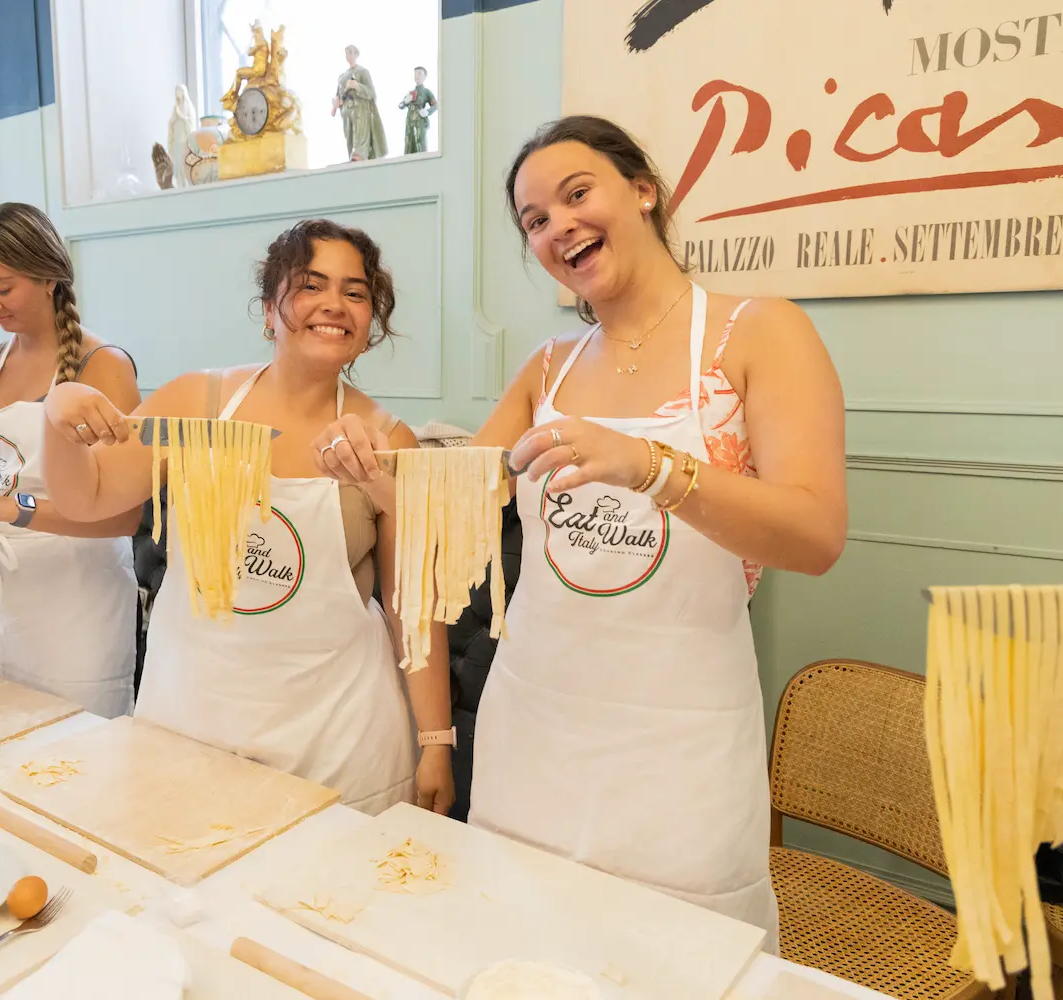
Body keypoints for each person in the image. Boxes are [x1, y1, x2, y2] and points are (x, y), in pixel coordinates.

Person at [313, 116, 846, 939]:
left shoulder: (760, 332)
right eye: (533, 219)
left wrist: (658, 468)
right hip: (535, 729)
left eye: (575, 194)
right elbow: (448, 521)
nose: (557, 225)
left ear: (643, 190)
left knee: (674, 959)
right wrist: (373, 473)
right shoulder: (548, 367)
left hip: (681, 745)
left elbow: (814, 535)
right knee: (517, 946)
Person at [41, 219, 456, 816]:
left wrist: (435, 742)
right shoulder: (197, 403)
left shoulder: (390, 440)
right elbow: (89, 499)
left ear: (370, 326)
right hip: (192, 712)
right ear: (268, 309)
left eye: (356, 292)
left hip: (337, 731)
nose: (335, 304)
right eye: (311, 286)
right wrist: (58, 418)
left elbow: (412, 602)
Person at [0, 202, 140, 715]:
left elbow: (122, 517)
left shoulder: (102, 365)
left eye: (2, 287)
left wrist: (9, 510)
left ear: (49, 277)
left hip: (74, 605)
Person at [331, 45, 387, 162]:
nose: (349, 55)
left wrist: (357, 86)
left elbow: (371, 93)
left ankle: (359, 154)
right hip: (346, 110)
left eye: (351, 52)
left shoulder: (363, 72)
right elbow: (338, 93)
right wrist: (336, 101)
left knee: (360, 134)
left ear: (356, 54)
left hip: (360, 109)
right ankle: (353, 156)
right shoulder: (342, 77)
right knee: (349, 137)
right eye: (347, 53)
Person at [397, 67, 437, 155]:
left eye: (419, 73)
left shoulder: (426, 92)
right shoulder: (410, 93)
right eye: (415, 74)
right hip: (410, 120)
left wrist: (427, 111)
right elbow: (401, 106)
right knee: (409, 141)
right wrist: (405, 101)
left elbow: (435, 105)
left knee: (420, 141)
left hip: (420, 119)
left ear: (424, 77)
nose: (417, 76)